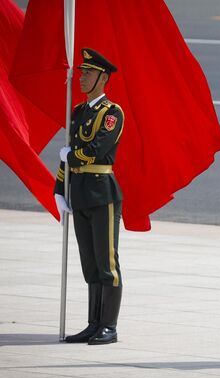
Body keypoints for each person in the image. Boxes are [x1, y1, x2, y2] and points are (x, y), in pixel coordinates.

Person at [54, 48, 125, 345]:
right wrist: (60, 188)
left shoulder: (111, 113)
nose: (82, 78)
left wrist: (71, 158)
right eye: (82, 72)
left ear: (103, 77)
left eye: (88, 73)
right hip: (80, 191)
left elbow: (95, 149)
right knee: (90, 263)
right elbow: (67, 151)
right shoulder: (79, 111)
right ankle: (93, 323)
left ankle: (109, 326)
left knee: (107, 263)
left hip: (102, 191)